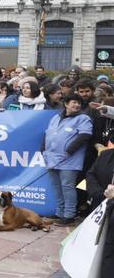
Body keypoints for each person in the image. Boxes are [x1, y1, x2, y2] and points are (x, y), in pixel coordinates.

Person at [43, 94, 93, 226]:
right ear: (66, 103)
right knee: (56, 186)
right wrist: (43, 149)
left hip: (69, 160)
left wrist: (69, 151)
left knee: (67, 187)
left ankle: (69, 215)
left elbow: (85, 136)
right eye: (74, 102)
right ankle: (60, 213)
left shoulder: (83, 119)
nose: (77, 105)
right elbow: (47, 133)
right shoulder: (55, 117)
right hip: (51, 159)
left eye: (79, 103)